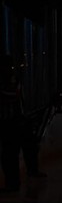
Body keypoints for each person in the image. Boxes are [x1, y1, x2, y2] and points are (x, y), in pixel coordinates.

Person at [0, 54, 26, 193]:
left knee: (9, 155)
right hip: (11, 122)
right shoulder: (11, 78)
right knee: (8, 155)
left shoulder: (11, 78)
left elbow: (13, 95)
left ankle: (13, 184)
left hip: (13, 122)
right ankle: (12, 183)